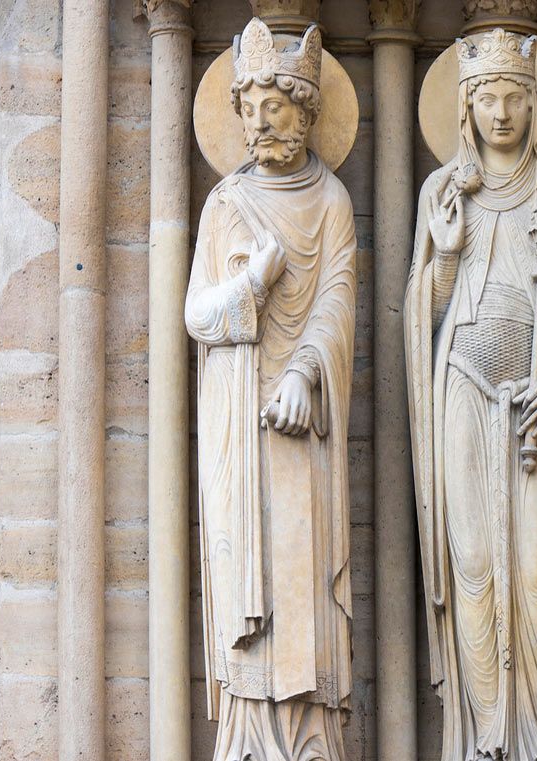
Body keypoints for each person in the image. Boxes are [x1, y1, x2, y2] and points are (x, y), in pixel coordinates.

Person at [404, 28, 537, 761]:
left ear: (534, 105)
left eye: (515, 97)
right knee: (473, 563)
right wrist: (445, 252)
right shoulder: (442, 192)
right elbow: (424, 312)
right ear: (466, 108)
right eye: (488, 98)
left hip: (533, 403)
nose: (503, 113)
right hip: (463, 390)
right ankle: (481, 737)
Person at [185, 18, 357, 761]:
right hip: (235, 424)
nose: (258, 119)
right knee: (241, 566)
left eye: (273, 104)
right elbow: (197, 314)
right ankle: (246, 741)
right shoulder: (224, 203)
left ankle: (311, 741)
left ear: (306, 109)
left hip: (302, 418)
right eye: (248, 105)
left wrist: (303, 371)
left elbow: (339, 299)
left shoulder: (332, 200)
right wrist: (253, 279)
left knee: (302, 577)